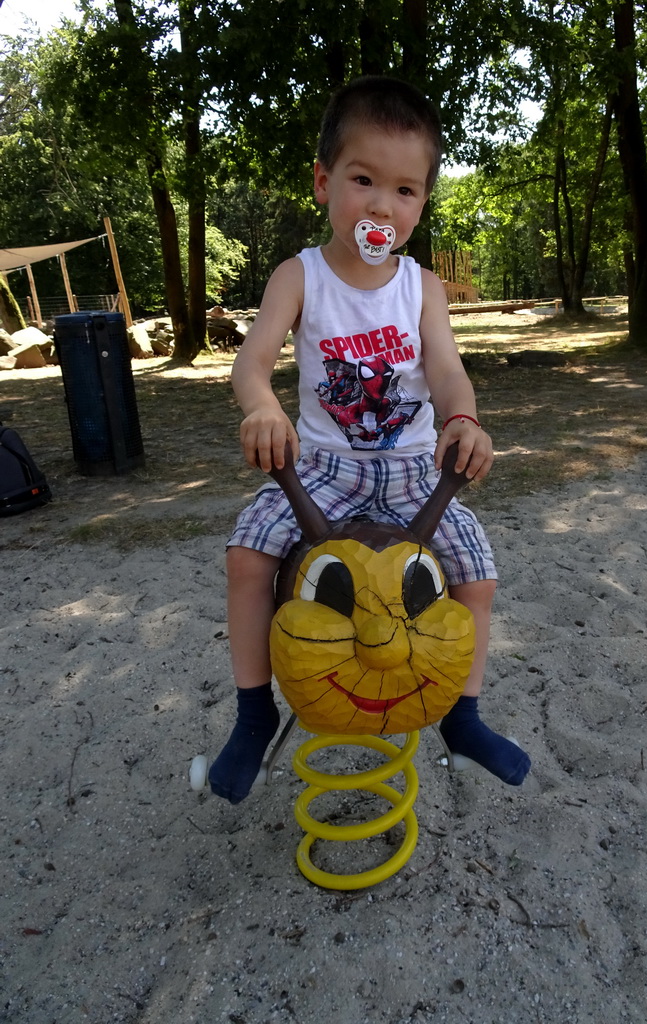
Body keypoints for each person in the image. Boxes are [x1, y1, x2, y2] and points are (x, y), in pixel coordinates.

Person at [209, 75, 531, 804]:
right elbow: (251, 360)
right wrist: (262, 409)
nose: (382, 205)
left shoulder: (423, 288)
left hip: (416, 468)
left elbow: (447, 372)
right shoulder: (300, 275)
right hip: (324, 466)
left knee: (477, 574)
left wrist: (463, 420)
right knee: (246, 554)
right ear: (325, 182)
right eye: (363, 180)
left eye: (406, 190)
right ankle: (253, 713)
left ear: (421, 203)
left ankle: (464, 714)